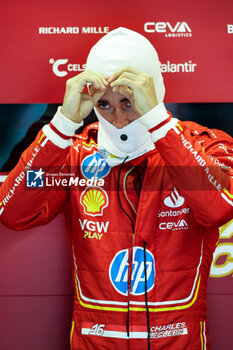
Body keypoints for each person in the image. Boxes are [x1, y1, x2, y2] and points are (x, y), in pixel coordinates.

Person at [0, 27, 233, 350]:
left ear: (153, 95)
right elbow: (12, 212)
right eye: (105, 106)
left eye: (129, 102)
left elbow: (218, 209)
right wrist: (64, 123)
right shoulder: (76, 152)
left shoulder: (206, 145)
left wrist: (158, 122)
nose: (119, 119)